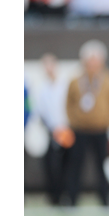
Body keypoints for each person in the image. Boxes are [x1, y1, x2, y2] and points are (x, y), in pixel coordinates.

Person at [65, 40, 109, 206]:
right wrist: (73, 121)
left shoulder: (108, 79)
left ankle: (105, 198)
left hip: (101, 129)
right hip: (80, 129)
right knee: (75, 166)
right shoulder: (75, 80)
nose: (92, 63)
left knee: (103, 166)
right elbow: (69, 104)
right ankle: (72, 199)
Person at [35, 53, 71, 205]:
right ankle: (54, 197)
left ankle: (66, 196)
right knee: (51, 166)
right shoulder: (42, 88)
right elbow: (41, 111)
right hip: (51, 131)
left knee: (67, 165)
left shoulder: (65, 85)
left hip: (67, 131)